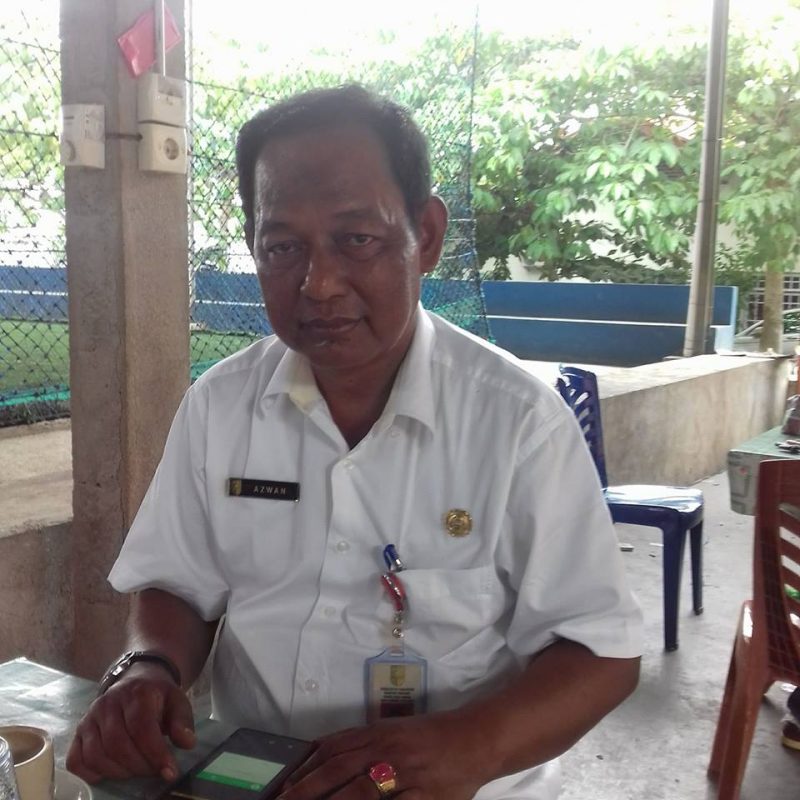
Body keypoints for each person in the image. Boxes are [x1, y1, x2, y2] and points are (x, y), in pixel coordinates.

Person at [67, 84, 643, 800]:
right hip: (257, 777)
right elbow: (177, 583)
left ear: (425, 235)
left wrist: (472, 744)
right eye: (283, 247)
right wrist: (149, 667)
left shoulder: (519, 423)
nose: (319, 284)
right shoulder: (220, 405)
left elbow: (600, 651)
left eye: (356, 239)